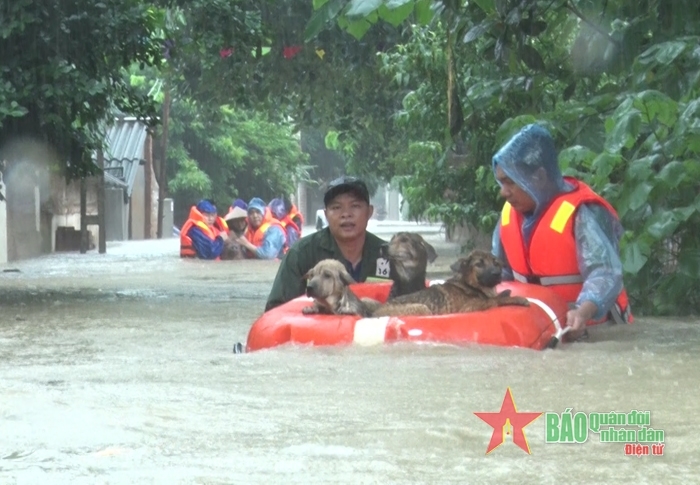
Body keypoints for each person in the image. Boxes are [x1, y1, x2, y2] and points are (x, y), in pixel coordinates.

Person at [490, 124, 633, 340]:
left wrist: (582, 312)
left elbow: (604, 273)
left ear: (538, 176)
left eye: (510, 182)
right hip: (538, 329)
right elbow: (499, 274)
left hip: (596, 331)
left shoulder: (582, 212)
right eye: (501, 182)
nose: (503, 192)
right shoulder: (509, 215)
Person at [265, 176, 391, 312]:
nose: (346, 214)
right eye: (336, 207)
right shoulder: (301, 254)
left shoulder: (390, 255)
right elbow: (275, 310)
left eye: (355, 206)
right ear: (326, 215)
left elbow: (410, 305)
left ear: (369, 212)